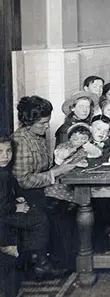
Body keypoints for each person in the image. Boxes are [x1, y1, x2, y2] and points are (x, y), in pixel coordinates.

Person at [12, 96, 78, 270]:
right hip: (25, 193)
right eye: (43, 123)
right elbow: (23, 180)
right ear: (28, 122)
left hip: (40, 185)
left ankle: (69, 255)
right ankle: (54, 261)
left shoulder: (36, 135)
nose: (47, 126)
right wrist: (55, 172)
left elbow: (46, 164)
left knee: (74, 197)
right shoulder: (20, 141)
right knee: (61, 205)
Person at [0, 135, 66, 279]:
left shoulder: (4, 171)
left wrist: (18, 198)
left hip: (6, 209)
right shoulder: (2, 176)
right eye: (0, 152)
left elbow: (7, 193)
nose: (5, 156)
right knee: (39, 219)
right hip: (3, 215)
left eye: (8, 151)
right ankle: (38, 262)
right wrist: (16, 208)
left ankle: (37, 258)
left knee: (37, 208)